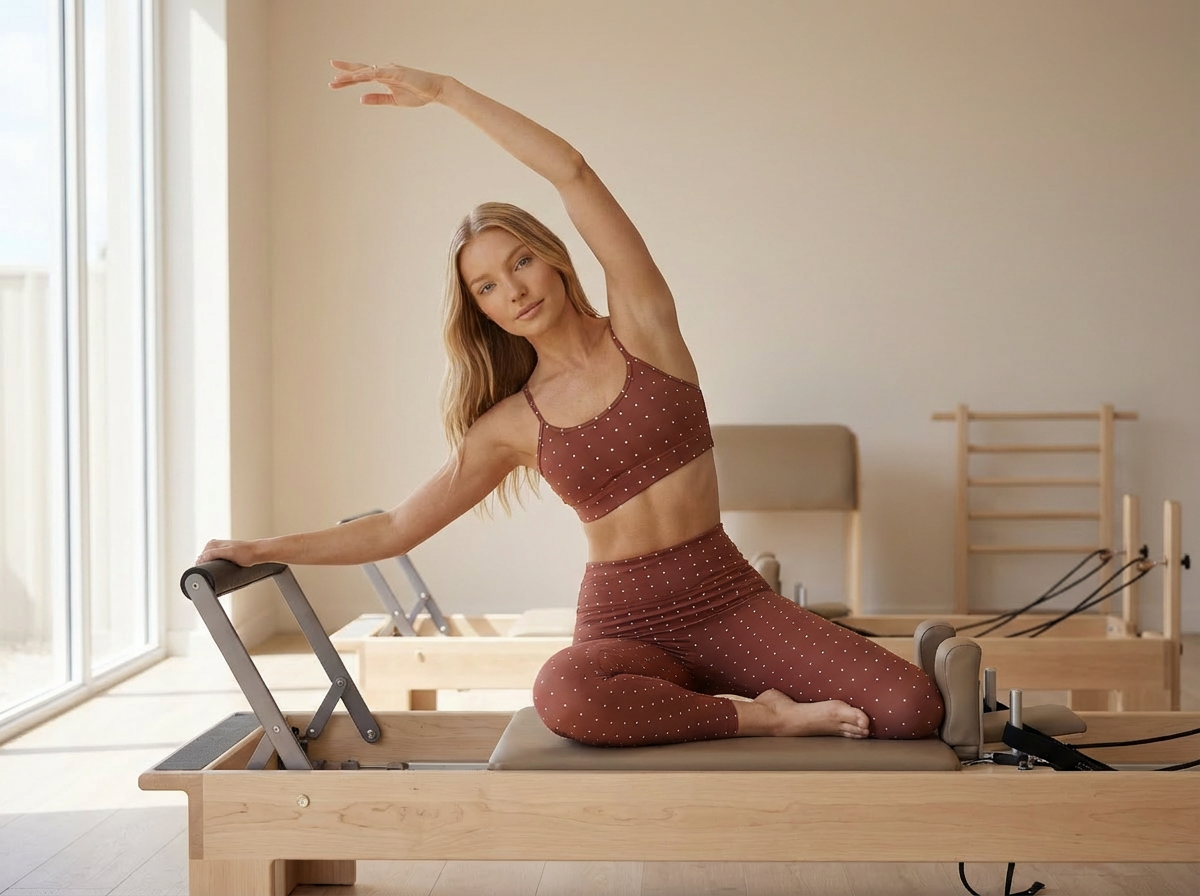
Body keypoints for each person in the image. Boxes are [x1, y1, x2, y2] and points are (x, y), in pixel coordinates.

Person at [197, 61, 944, 747]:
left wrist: (450, 93)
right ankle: (760, 716)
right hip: (624, 622)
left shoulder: (644, 328)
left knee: (914, 707)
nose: (513, 289)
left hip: (726, 600)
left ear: (553, 256)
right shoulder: (510, 424)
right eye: (487, 286)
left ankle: (736, 697)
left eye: (519, 261)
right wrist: (262, 549)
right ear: (480, 311)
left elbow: (575, 173)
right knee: (566, 693)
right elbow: (395, 528)